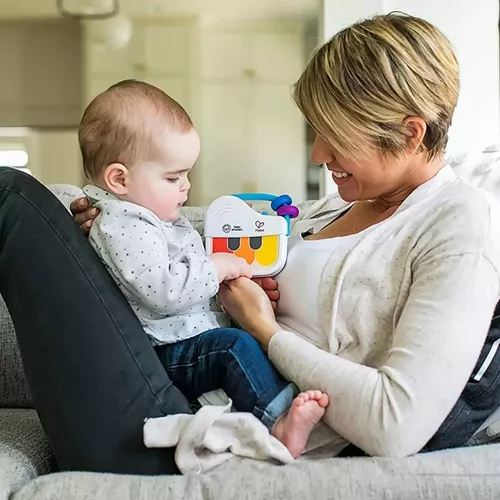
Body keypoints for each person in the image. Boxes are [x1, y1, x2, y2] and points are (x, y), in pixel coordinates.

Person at [0, 12, 497, 475]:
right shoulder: (332, 207)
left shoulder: (459, 224)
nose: (320, 153)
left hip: (210, 424)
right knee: (36, 207)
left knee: (11, 196)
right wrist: (119, 221)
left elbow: (396, 423)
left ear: (411, 134)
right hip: (182, 376)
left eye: (337, 136)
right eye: (317, 133)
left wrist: (263, 330)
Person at [77, 80, 328, 459]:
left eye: (187, 174)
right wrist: (216, 267)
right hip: (165, 351)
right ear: (119, 179)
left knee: (241, 342)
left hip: (181, 338)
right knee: (234, 347)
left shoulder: (145, 216)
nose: (186, 187)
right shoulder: (122, 222)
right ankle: (277, 423)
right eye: (172, 177)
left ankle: (268, 411)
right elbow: (162, 291)